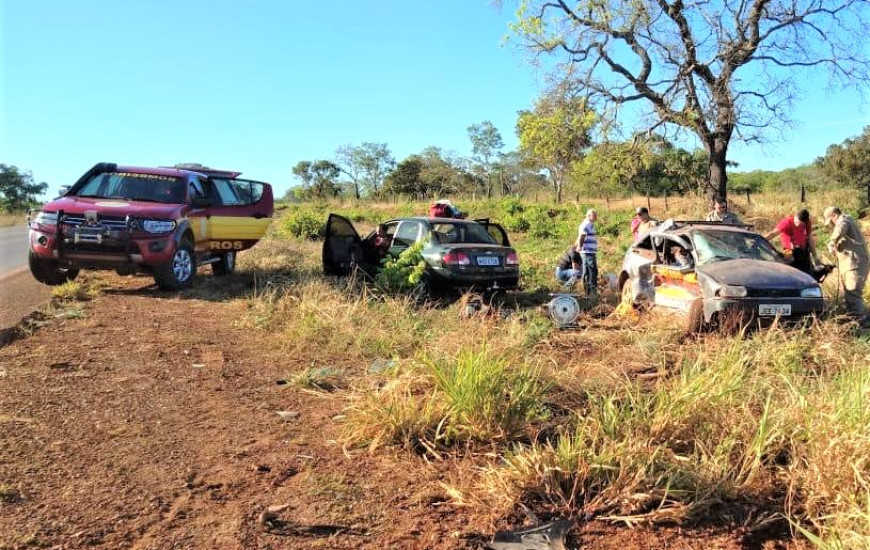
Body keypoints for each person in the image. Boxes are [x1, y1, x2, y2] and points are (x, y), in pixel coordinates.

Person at [822, 206, 869, 321]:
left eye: (830, 221)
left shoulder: (843, 221)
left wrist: (832, 243)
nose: (831, 224)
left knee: (853, 292)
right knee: (850, 293)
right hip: (852, 263)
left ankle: (862, 322)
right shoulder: (849, 221)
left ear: (834, 216)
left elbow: (839, 230)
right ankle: (856, 319)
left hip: (854, 263)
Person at [765, 208, 818, 275]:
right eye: (797, 222)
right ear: (795, 216)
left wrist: (815, 256)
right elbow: (773, 234)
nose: (798, 225)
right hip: (790, 253)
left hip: (803, 253)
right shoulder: (787, 222)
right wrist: (760, 240)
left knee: (808, 275)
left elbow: (810, 238)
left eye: (801, 224)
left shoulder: (807, 223)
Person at [577, 209, 599, 297]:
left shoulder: (590, 224)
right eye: (595, 215)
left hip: (591, 251)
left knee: (592, 271)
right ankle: (589, 293)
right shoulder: (586, 224)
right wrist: (580, 246)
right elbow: (582, 236)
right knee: (590, 271)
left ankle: (591, 292)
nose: (596, 217)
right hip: (587, 252)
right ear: (589, 216)